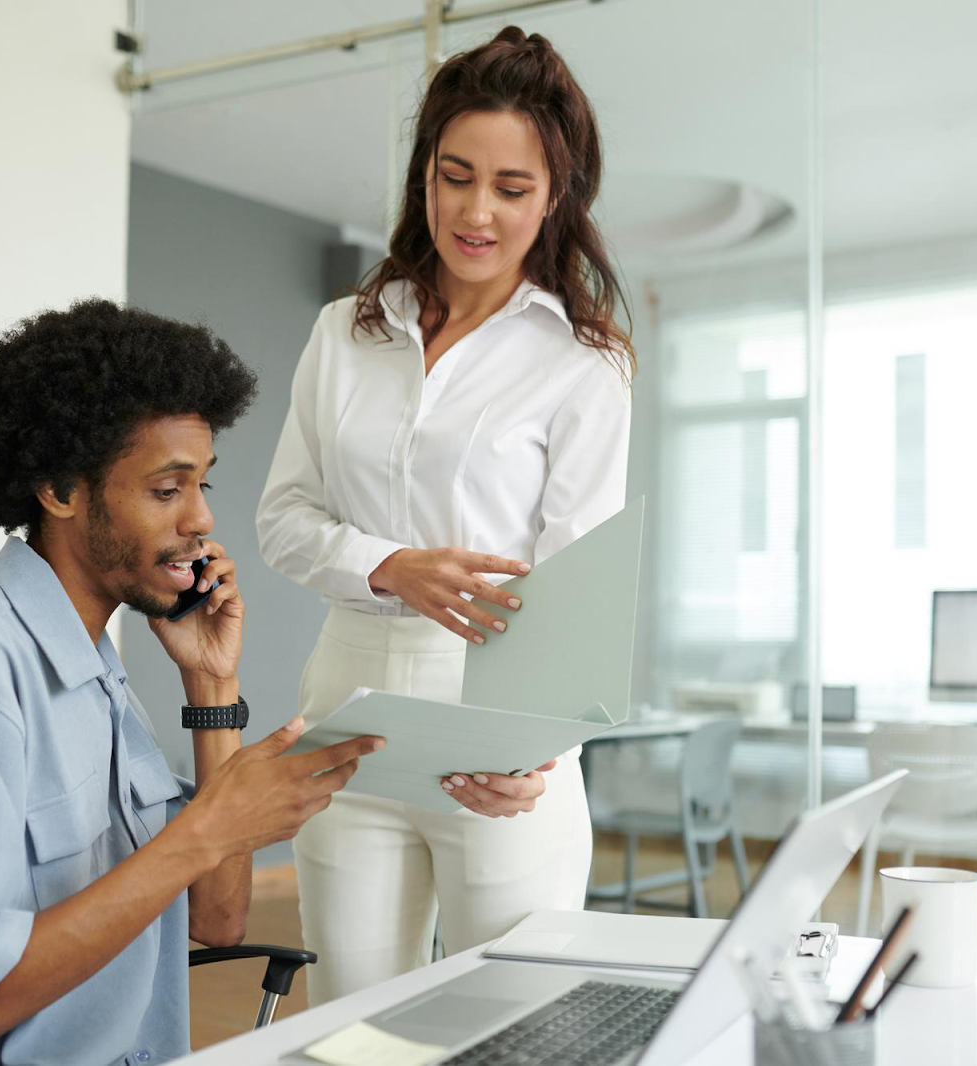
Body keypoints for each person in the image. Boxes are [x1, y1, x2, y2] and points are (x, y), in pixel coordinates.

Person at [0, 299, 382, 1066]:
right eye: (165, 489)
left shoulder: (95, 675)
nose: (202, 518)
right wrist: (207, 829)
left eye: (202, 485)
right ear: (58, 489)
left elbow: (218, 918)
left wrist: (212, 686)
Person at [255, 26, 635, 1003]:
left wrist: (540, 751)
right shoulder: (343, 331)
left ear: (556, 197)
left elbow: (576, 591)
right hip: (344, 715)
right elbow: (282, 521)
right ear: (423, 169)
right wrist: (390, 565)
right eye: (453, 175)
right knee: (352, 1021)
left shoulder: (583, 364)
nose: (474, 211)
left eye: (511, 189)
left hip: (499, 725)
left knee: (506, 1021)